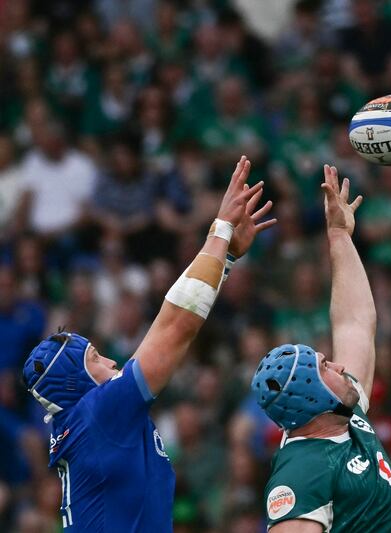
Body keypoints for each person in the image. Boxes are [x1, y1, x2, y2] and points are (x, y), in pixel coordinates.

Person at [21, 157, 275, 531]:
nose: (110, 360)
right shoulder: (100, 412)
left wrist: (226, 257)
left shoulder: (92, 420)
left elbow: (175, 322)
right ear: (73, 382)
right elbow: (175, 326)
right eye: (94, 357)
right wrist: (219, 232)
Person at [251, 165, 391, 532]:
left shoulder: (347, 413)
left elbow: (356, 323)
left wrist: (339, 235)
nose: (340, 367)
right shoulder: (301, 472)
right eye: (325, 366)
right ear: (311, 397)